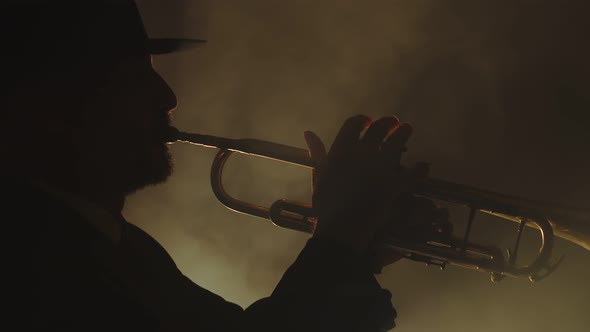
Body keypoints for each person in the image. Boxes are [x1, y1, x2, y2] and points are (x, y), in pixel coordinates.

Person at [2, 1, 443, 331]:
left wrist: (355, 250)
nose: (168, 98)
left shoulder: (124, 246)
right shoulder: (31, 260)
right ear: (49, 109)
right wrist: (342, 235)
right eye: (133, 79)